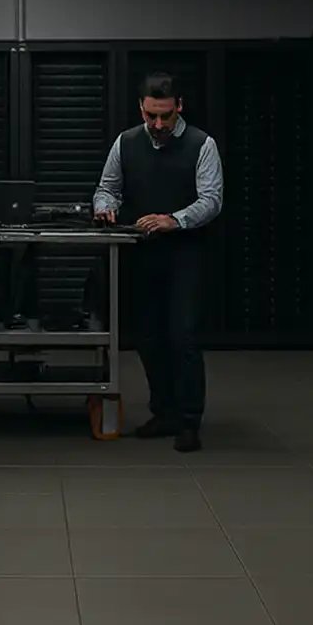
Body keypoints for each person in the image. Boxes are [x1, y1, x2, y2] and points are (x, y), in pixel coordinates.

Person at [93, 72, 224, 453]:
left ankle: (188, 421)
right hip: (142, 252)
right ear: (141, 108)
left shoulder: (203, 145)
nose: (158, 125)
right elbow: (107, 187)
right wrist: (105, 207)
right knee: (148, 336)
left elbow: (212, 200)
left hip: (185, 253)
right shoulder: (126, 142)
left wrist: (174, 219)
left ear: (178, 106)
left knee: (182, 336)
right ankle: (163, 411)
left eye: (165, 116)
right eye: (151, 116)